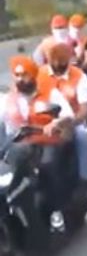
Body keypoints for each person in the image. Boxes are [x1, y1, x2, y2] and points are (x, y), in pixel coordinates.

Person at [0, 56, 75, 232]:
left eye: (24, 75)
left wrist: (55, 123)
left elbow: (68, 115)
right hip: (19, 145)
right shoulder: (8, 99)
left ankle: (56, 212)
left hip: (46, 142)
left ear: (33, 75)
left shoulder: (50, 93)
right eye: (16, 75)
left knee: (47, 167)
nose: (20, 79)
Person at [37, 43, 87, 188]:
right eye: (54, 61)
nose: (57, 65)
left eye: (61, 61)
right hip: (42, 122)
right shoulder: (39, 75)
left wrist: (69, 123)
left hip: (73, 122)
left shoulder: (79, 76)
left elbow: (85, 109)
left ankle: (85, 179)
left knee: (82, 136)